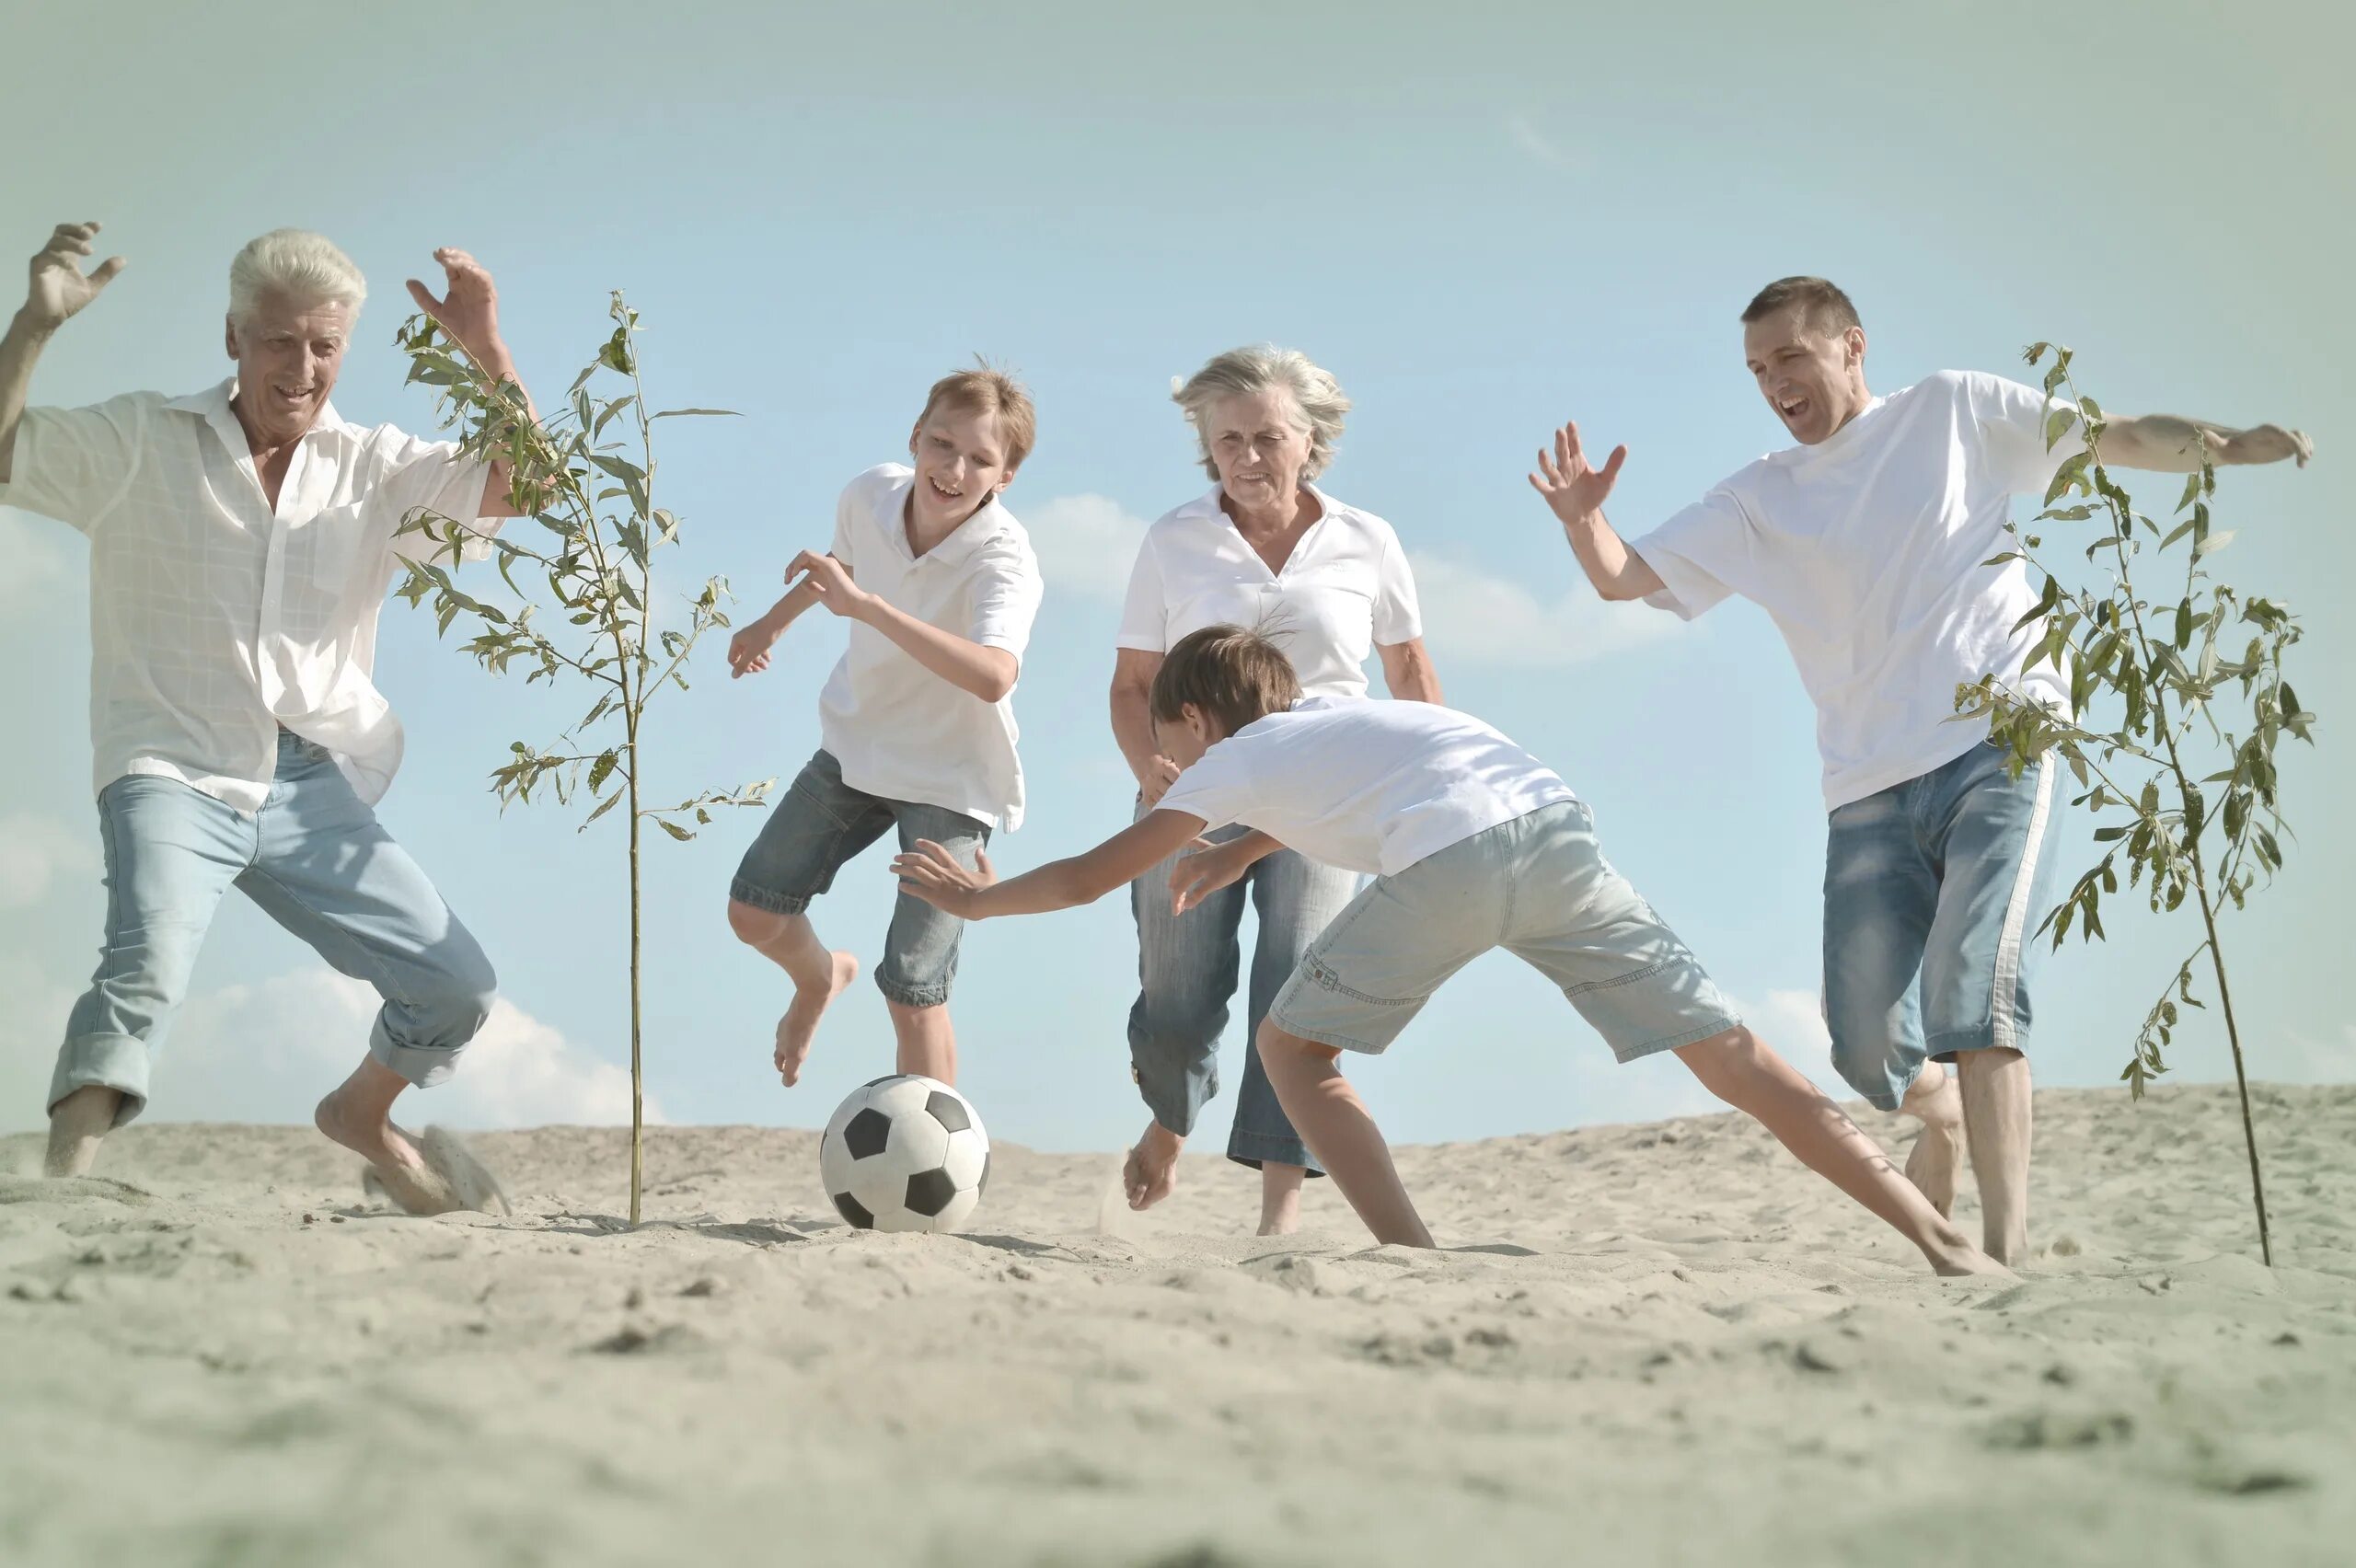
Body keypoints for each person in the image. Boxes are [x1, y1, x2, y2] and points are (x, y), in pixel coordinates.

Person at [1529, 276, 2314, 1266]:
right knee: (1862, 1042)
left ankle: (2006, 1254)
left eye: (1791, 359)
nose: (1774, 383)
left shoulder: (1951, 412)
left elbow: (2113, 435)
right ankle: (1937, 1120)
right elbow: (1621, 577)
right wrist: (1579, 520)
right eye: (1757, 370)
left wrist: (2232, 446)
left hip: (2002, 742)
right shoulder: (1760, 496)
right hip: (1865, 788)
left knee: (1974, 988)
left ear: (1850, 347)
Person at [895, 626, 2009, 1276]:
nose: (1161, 754)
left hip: (1457, 857)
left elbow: (1096, 873)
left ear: (1192, 722)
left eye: (1165, 737)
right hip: (1558, 830)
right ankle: (1936, 1238)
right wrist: (1239, 858)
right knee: (1730, 1056)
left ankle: (1411, 1258)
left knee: (1295, 1055)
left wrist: (979, 905)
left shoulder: (1224, 761)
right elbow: (1349, 789)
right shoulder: (1337, 719)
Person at [0, 222, 537, 1211]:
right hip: (169, 761)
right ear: (233, 338)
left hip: (308, 783)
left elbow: (528, 488)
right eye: (280, 341)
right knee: (145, 958)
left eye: (323, 345)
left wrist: (485, 348)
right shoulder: (139, 440)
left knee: (456, 983)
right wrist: (32, 331)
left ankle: (362, 1115)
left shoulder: (376, 468)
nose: (302, 367)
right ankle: (59, 1183)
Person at [1111, 345, 1442, 1236]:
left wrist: (1427, 791)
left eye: (1267, 438)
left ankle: (1278, 1210)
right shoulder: (1173, 539)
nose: (1247, 458)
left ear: (1310, 441)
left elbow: (1410, 671)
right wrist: (1152, 771)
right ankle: (1171, 1117)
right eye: (1228, 441)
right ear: (1205, 446)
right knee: (1176, 999)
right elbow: (1134, 685)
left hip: (1328, 798)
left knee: (1294, 988)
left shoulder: (1366, 540)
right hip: (1196, 793)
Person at [724, 365, 1042, 1090]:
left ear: (1007, 475)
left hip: (951, 779)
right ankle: (817, 981)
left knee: (912, 985)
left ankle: (933, 1183)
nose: (954, 469)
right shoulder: (870, 493)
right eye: (942, 444)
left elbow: (995, 674)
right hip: (857, 747)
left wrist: (866, 608)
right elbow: (840, 567)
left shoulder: (1005, 557)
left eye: (980, 459)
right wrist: (769, 623)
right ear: (915, 438)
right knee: (754, 911)